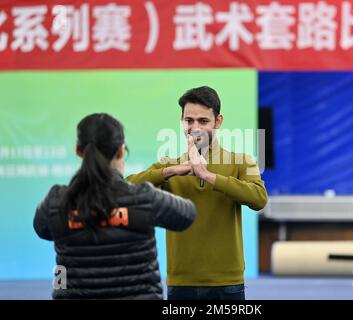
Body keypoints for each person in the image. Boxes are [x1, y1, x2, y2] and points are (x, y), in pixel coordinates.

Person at [34, 113, 196, 300]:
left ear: (78, 151)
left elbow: (43, 229)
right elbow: (187, 215)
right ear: (121, 151)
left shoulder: (55, 201)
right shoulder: (143, 198)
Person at [127, 86, 268, 300]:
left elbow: (259, 199)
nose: (195, 128)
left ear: (218, 122)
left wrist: (209, 176)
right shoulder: (169, 166)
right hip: (181, 282)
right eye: (189, 120)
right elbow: (127, 189)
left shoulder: (241, 161)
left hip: (228, 283)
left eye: (203, 121)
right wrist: (174, 170)